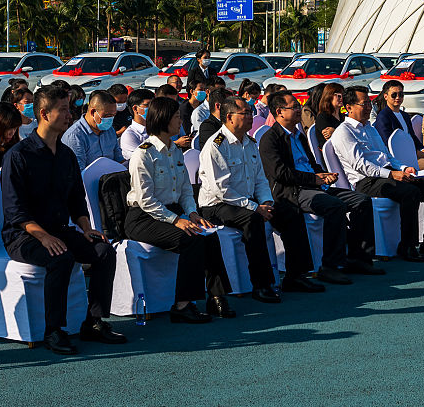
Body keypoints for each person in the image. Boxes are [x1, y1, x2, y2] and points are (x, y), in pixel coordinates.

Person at [2, 85, 125, 354]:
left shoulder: (66, 154)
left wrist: (85, 227)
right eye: (64, 109)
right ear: (44, 114)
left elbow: (76, 201)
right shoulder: (19, 156)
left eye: (70, 109)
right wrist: (43, 236)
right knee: (61, 257)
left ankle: (93, 322)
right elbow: (15, 212)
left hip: (59, 230)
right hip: (24, 236)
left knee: (104, 251)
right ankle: (54, 330)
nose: (70, 115)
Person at [199, 97, 323, 300]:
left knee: (290, 211)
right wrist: (255, 208)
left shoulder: (249, 143)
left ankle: (296, 275)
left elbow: (260, 179)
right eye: (245, 113)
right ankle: (262, 284)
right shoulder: (216, 145)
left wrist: (266, 202)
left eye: (250, 112)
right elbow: (221, 190)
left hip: (249, 202)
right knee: (253, 221)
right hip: (218, 205)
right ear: (229, 117)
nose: (251, 117)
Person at [125, 96, 233, 323]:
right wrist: (177, 220)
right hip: (143, 218)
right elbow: (146, 200)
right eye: (176, 117)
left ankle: (216, 296)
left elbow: (185, 187)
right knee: (191, 238)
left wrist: (193, 213)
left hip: (169, 212)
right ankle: (183, 305)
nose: (180, 121)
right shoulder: (144, 154)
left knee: (209, 236)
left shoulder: (174, 150)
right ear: (163, 119)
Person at [259, 91, 378, 279]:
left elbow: (311, 163)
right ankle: (330, 265)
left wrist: (323, 175)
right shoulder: (270, 139)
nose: (299, 110)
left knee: (361, 200)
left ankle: (359, 257)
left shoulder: (298, 135)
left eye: (299, 106)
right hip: (293, 191)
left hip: (313, 186)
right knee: (334, 206)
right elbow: (281, 174)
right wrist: (314, 179)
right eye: (294, 107)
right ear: (279, 111)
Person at [331, 86, 424, 261]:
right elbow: (361, 165)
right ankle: (407, 246)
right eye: (363, 104)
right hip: (367, 182)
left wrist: (403, 168)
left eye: (369, 103)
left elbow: (387, 156)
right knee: (410, 192)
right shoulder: (344, 132)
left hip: (386, 174)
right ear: (349, 107)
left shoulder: (370, 129)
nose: (368, 108)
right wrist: (391, 175)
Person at [373, 80, 424, 172]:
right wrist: (417, 153)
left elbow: (412, 136)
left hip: (414, 154)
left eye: (401, 94)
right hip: (399, 159)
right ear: (386, 96)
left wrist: (422, 149)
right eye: (394, 95)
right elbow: (389, 143)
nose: (398, 97)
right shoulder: (383, 116)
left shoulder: (405, 115)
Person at [62, 90, 122, 167]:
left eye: (113, 115)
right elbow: (79, 172)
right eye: (107, 115)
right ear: (93, 112)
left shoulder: (110, 130)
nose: (111, 119)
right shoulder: (75, 136)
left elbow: (118, 158)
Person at [119, 88, 153, 160]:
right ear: (135, 108)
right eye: (148, 105)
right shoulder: (130, 135)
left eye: (153, 105)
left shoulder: (158, 127)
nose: (153, 108)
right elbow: (144, 158)